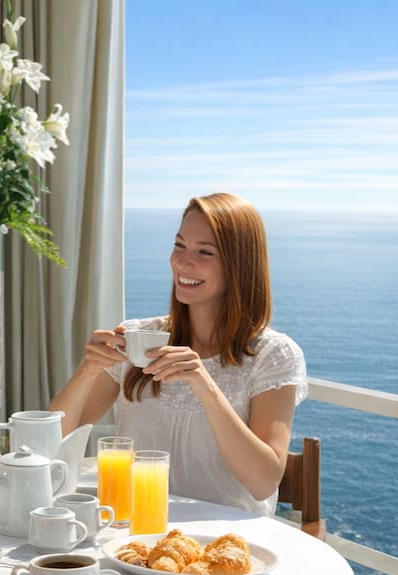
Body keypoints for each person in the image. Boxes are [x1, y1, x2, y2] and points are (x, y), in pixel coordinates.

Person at [48, 193, 306, 517]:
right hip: (136, 536)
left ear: (240, 264)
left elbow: (263, 482)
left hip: (225, 548)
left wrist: (205, 386)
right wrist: (87, 370)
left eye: (204, 252)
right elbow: (51, 441)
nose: (183, 262)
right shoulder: (139, 338)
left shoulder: (273, 355)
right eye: (179, 245)